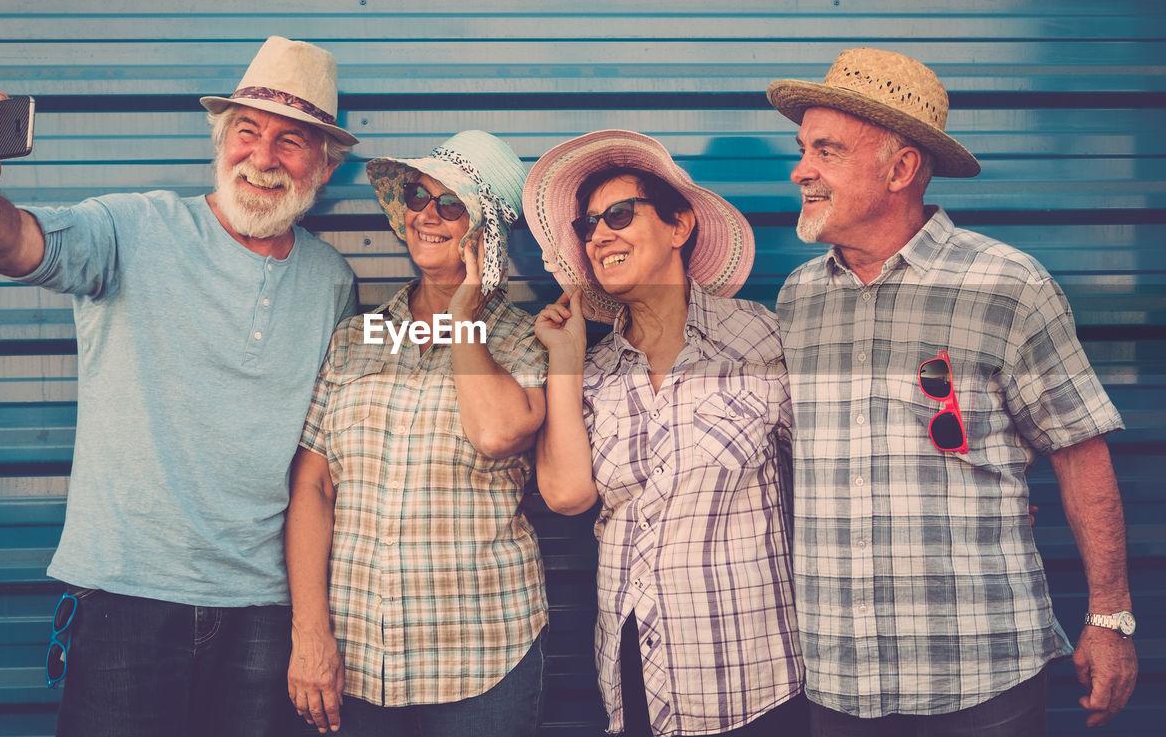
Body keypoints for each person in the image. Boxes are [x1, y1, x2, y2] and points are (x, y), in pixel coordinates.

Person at [0, 35, 359, 736]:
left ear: (325, 164)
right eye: (247, 131)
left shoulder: (331, 280)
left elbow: (321, 457)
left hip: (263, 612)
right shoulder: (132, 227)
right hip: (127, 599)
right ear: (221, 141)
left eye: (292, 141)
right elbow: (12, 245)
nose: (263, 156)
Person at [767, 47, 1138, 735]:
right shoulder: (798, 299)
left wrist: (1109, 617)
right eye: (803, 149)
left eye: (826, 151)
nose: (801, 170)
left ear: (901, 168)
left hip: (981, 671)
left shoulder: (1007, 283)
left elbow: (1078, 449)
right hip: (836, 676)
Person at [523, 130, 806, 737]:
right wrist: (565, 361)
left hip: (750, 674)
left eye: (619, 214)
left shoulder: (760, 339)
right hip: (637, 669)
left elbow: (827, 476)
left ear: (679, 227)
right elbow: (568, 494)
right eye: (588, 225)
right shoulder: (594, 371)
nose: (599, 234)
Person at [284, 130, 549, 736]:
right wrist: (309, 633)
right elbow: (313, 486)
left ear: (488, 234)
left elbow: (498, 432)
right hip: (351, 664)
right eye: (417, 197)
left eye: (450, 204)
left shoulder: (528, 340)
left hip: (484, 660)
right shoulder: (357, 338)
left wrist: (460, 316)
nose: (426, 214)